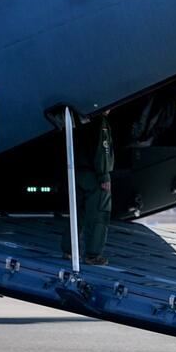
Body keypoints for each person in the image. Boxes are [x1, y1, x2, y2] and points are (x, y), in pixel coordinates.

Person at [61, 111, 114, 266]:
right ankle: (93, 254)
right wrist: (104, 175)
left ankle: (69, 250)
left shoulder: (79, 117)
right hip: (94, 175)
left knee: (77, 213)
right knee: (99, 215)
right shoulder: (101, 122)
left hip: (78, 172)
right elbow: (103, 149)